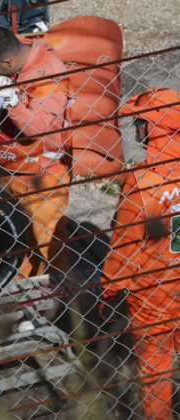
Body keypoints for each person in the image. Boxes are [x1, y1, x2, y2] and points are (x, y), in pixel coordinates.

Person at [100, 87, 180, 420]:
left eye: (140, 123)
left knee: (155, 367)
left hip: (152, 290)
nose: (135, 130)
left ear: (156, 127)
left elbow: (125, 243)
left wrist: (110, 290)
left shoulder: (144, 181)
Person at [0, 26, 72, 279]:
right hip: (12, 168)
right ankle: (20, 284)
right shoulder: (17, 62)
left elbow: (36, 128)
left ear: (7, 62)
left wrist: (12, 101)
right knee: (16, 236)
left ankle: (56, 292)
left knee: (47, 242)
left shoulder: (48, 73)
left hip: (42, 175)